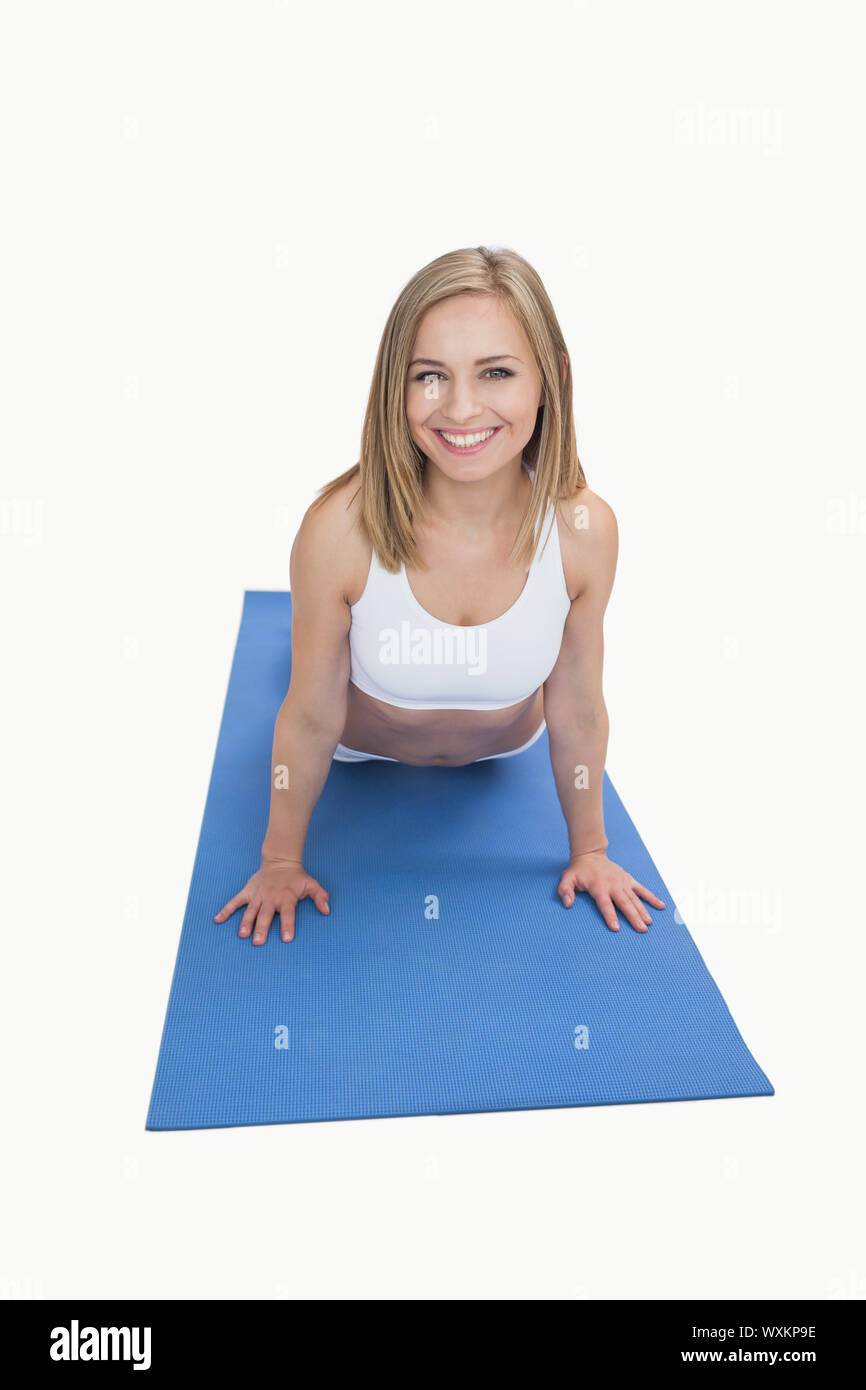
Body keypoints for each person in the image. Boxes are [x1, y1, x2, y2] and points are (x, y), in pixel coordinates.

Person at [215, 246, 664, 944]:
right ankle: (310, 623)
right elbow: (308, 717)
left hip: (498, 753)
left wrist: (592, 851)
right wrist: (279, 860)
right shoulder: (338, 531)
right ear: (396, 386)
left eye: (496, 372)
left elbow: (576, 703)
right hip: (360, 749)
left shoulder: (584, 531)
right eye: (431, 376)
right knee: (298, 661)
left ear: (551, 380)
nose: (461, 407)